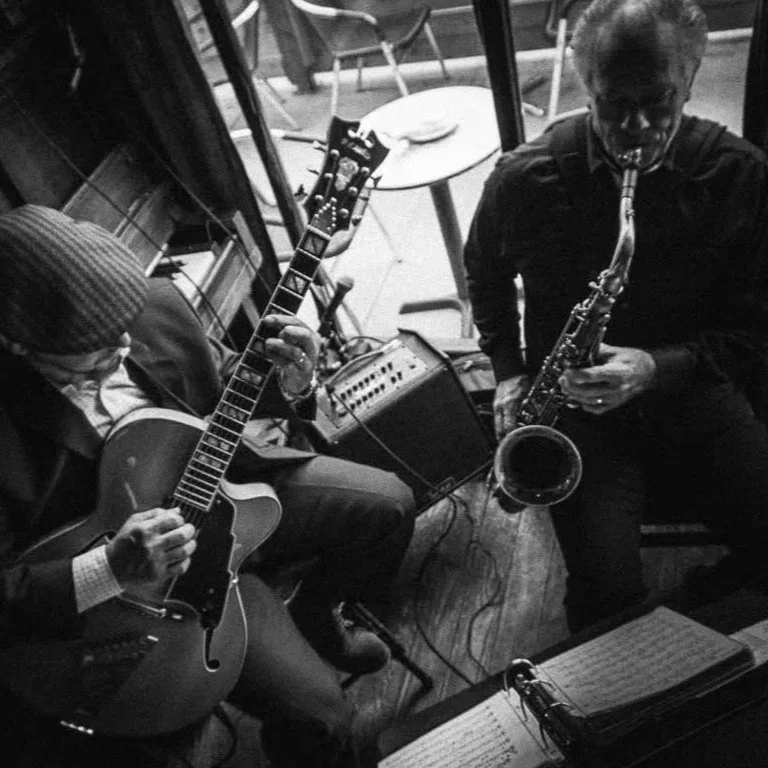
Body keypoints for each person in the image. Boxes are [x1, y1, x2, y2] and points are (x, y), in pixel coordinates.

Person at [0, 204, 415, 766]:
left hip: (234, 499)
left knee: (389, 504)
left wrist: (293, 385)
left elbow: (219, 394)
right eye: (94, 348)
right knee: (324, 721)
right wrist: (110, 568)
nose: (123, 344)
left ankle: (319, 616)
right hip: (140, 599)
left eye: (125, 323)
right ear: (17, 344)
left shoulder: (157, 305)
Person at [464, 0, 768, 633]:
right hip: (581, 423)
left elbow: (756, 332)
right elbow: (486, 278)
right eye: (612, 104)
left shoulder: (738, 176)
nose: (635, 127)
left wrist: (654, 367)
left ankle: (699, 614)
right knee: (604, 598)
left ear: (690, 79)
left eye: (659, 102)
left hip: (697, 398)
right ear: (585, 87)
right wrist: (510, 373)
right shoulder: (523, 177)